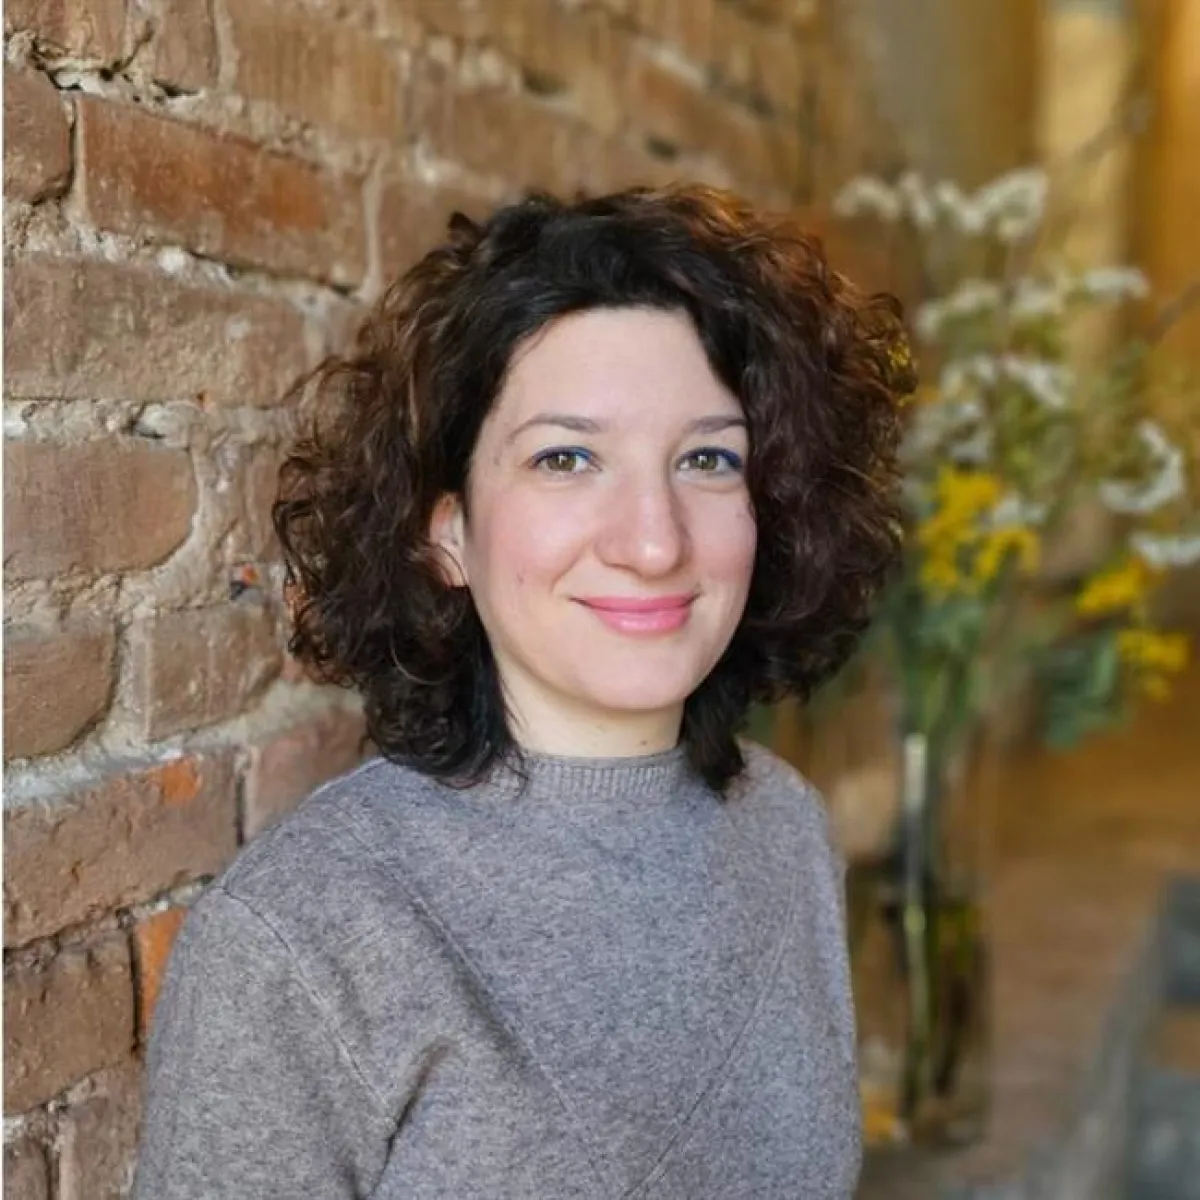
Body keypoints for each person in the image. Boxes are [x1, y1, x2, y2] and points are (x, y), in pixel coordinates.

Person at [134, 184, 913, 1199]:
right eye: (567, 457)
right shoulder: (301, 936)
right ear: (447, 532)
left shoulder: (785, 828)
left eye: (708, 459)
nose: (654, 541)